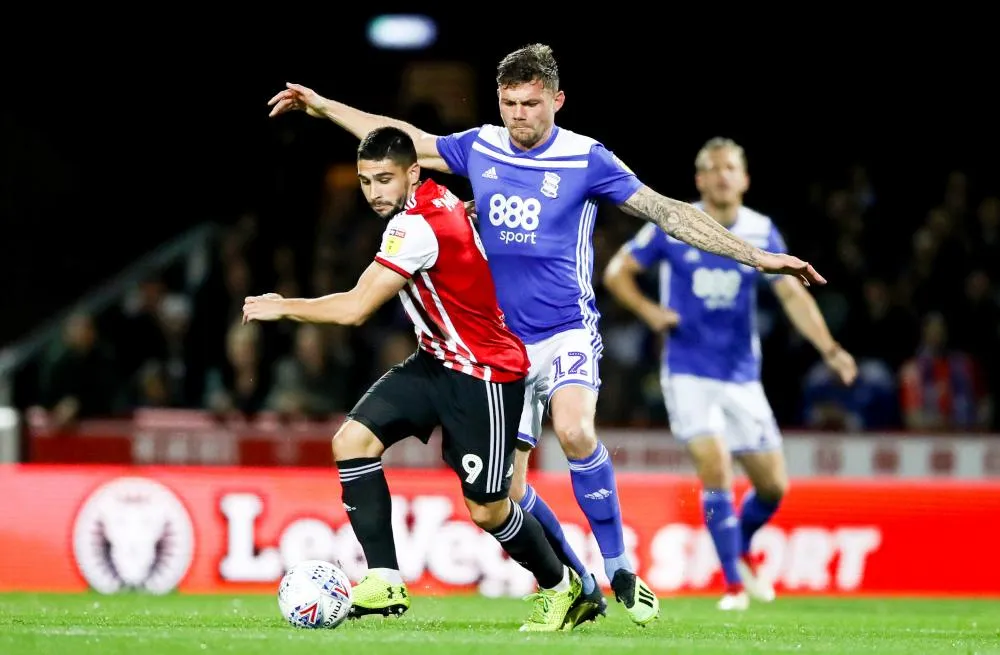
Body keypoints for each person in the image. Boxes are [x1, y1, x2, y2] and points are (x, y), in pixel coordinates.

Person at [267, 44, 824, 625]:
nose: (518, 116)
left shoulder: (587, 158)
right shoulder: (481, 146)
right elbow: (403, 140)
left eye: (530, 104)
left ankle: (619, 568)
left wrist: (757, 257)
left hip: (564, 331)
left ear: (557, 100)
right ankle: (578, 583)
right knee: (505, 495)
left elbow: (668, 212)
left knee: (576, 428)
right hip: (501, 348)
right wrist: (323, 106)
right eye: (509, 103)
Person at [243, 126, 584, 632]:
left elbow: (356, 308)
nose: (374, 192)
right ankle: (385, 580)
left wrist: (283, 307)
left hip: (484, 375)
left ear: (413, 173)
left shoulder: (415, 227)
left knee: (488, 510)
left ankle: (561, 587)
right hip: (436, 361)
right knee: (352, 441)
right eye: (365, 181)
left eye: (385, 179)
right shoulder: (435, 198)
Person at [602, 137, 858, 610]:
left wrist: (831, 349)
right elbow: (618, 271)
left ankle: (739, 546)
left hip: (741, 375)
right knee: (716, 464)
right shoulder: (677, 223)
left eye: (730, 168)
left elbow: (792, 294)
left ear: (745, 179)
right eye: (713, 169)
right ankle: (733, 586)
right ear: (699, 179)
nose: (722, 176)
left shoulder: (761, 231)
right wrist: (651, 312)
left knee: (773, 487)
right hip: (687, 371)